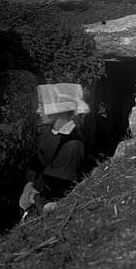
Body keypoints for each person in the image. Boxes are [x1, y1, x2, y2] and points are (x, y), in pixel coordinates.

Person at [19, 84, 89, 216]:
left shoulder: (73, 144)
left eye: (42, 106)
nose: (38, 111)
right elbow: (36, 162)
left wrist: (32, 197)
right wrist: (28, 185)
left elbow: (57, 193)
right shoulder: (52, 133)